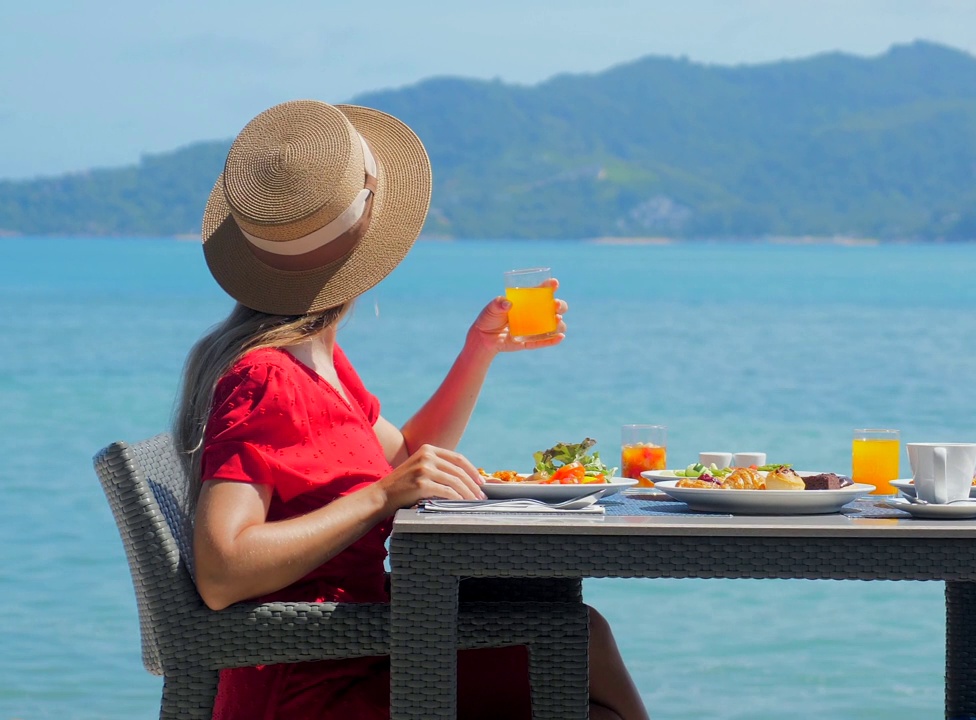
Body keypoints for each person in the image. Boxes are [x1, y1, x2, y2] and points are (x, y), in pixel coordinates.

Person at [173, 99, 649, 720]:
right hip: (320, 674)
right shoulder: (266, 376)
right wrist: (380, 497)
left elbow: (402, 456)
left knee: (584, 640)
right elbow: (222, 569)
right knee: (582, 644)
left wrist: (477, 352)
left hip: (370, 640)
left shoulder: (318, 358)